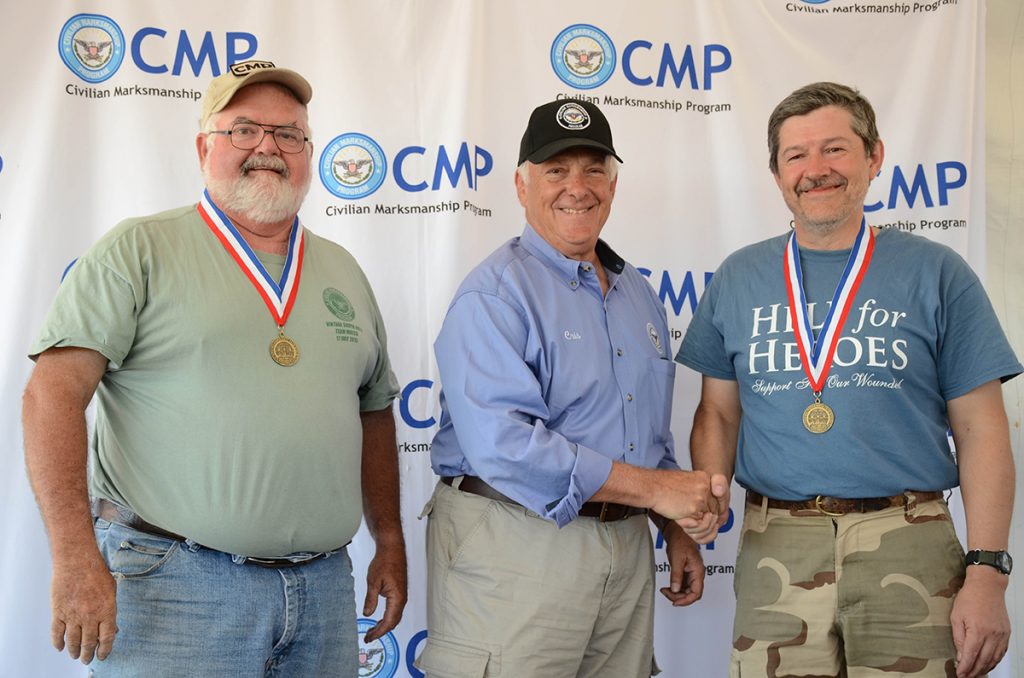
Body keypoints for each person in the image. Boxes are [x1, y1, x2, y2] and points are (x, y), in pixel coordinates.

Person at [22, 60, 407, 676]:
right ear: (205, 147)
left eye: (288, 134)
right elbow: (52, 395)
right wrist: (73, 553)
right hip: (176, 588)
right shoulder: (140, 249)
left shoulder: (343, 271)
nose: (268, 148)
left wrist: (388, 539)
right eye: (244, 130)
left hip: (324, 589)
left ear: (309, 151)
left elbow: (375, 411)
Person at [676, 81, 1020, 678]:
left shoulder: (937, 272)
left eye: (835, 149)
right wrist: (708, 493)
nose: (816, 170)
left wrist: (987, 570)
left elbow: (982, 429)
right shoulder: (739, 276)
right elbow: (718, 413)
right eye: (796, 155)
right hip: (774, 548)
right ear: (777, 174)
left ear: (874, 156)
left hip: (909, 542)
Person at [415, 98, 724, 678]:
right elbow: (504, 445)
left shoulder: (638, 294)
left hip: (624, 547)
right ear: (521, 184)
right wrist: (657, 490)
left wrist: (674, 524)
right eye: (556, 170)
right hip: (516, 541)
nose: (576, 187)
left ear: (614, 183)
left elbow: (645, 437)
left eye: (593, 169)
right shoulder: (495, 294)